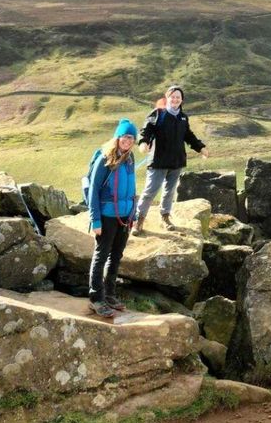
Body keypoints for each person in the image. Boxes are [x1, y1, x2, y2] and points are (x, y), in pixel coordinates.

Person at [135, 86, 207, 233]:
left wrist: (200, 148)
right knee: (150, 192)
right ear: (167, 98)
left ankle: (165, 217)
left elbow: (188, 136)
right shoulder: (158, 114)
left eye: (178, 97)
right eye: (172, 96)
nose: (175, 99)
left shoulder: (183, 117)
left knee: (169, 192)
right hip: (158, 161)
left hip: (176, 162)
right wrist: (143, 142)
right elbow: (146, 130)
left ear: (182, 100)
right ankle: (138, 220)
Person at [87, 119, 139, 319]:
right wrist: (96, 220)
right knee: (101, 256)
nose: (128, 141)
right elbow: (93, 191)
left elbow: (132, 186)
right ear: (117, 137)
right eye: (125, 137)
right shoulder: (104, 159)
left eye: (131, 138)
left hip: (124, 216)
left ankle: (109, 294)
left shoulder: (130, 158)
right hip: (107, 215)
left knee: (116, 255)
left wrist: (132, 214)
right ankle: (96, 298)